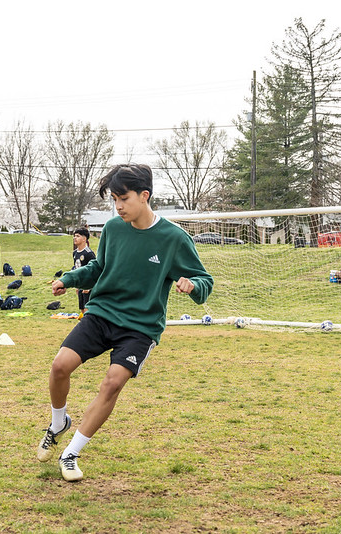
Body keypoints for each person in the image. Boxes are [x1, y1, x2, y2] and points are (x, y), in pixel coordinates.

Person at [36, 164, 213, 482]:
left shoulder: (174, 238)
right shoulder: (114, 230)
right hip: (102, 312)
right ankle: (58, 422)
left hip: (140, 327)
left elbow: (204, 280)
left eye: (123, 198)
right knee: (60, 365)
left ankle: (71, 453)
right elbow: (99, 267)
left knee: (112, 382)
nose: (117, 206)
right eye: (114, 199)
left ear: (145, 196)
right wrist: (71, 278)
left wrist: (193, 286)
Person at [71, 227, 96, 314]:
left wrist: (89, 287)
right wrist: (77, 285)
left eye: (77, 236)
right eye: (74, 236)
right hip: (80, 285)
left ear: (84, 239)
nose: (75, 238)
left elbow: (93, 270)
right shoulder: (75, 253)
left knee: (87, 309)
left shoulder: (89, 253)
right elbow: (76, 269)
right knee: (81, 308)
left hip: (88, 286)